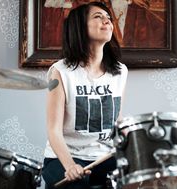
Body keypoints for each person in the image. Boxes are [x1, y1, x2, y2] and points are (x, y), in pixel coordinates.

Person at [42, 1, 128, 189]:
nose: (107, 21)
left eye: (108, 18)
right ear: (79, 28)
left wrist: (136, 141)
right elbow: (53, 130)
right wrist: (70, 165)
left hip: (104, 156)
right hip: (64, 157)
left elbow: (117, 117)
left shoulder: (120, 71)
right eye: (98, 17)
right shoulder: (60, 71)